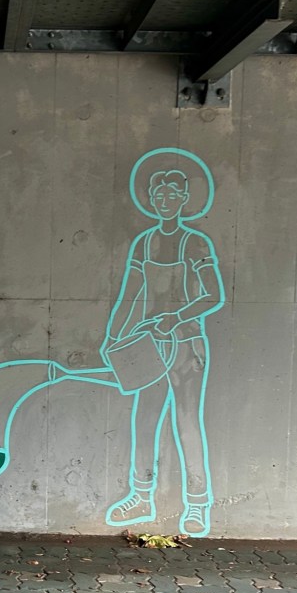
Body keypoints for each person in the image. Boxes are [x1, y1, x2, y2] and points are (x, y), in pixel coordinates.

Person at [101, 164, 225, 537]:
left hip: (186, 345)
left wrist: (177, 316)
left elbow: (213, 295)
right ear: (151, 200)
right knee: (145, 419)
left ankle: (197, 503)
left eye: (172, 194)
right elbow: (129, 295)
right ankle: (141, 496)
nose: (165, 200)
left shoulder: (195, 242)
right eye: (159, 194)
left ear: (184, 199)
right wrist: (113, 338)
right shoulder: (144, 243)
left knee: (186, 422)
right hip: (150, 346)